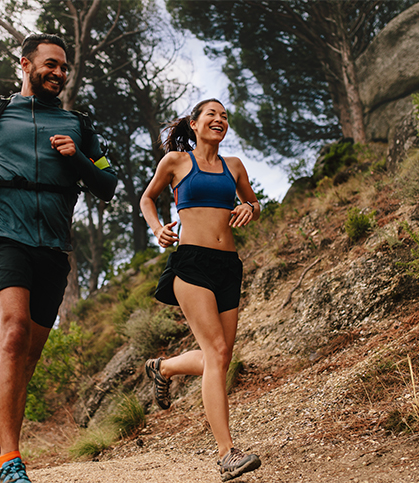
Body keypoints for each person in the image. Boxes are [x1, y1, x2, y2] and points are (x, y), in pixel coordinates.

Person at [0, 33, 117, 483]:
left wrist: (77, 156)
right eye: (50, 64)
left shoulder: (79, 124)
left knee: (29, 355)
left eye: (63, 67)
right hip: (4, 232)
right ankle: (10, 459)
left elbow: (108, 181)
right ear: (25, 64)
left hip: (54, 246)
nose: (58, 72)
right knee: (14, 334)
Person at [139, 99, 262, 482]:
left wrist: (250, 209)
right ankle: (226, 454)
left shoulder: (234, 166)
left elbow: (253, 202)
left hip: (228, 266)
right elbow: (147, 198)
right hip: (191, 263)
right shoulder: (176, 162)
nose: (220, 120)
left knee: (219, 360)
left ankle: (165, 367)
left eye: (224, 117)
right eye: (212, 114)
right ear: (194, 123)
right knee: (218, 352)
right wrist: (157, 227)